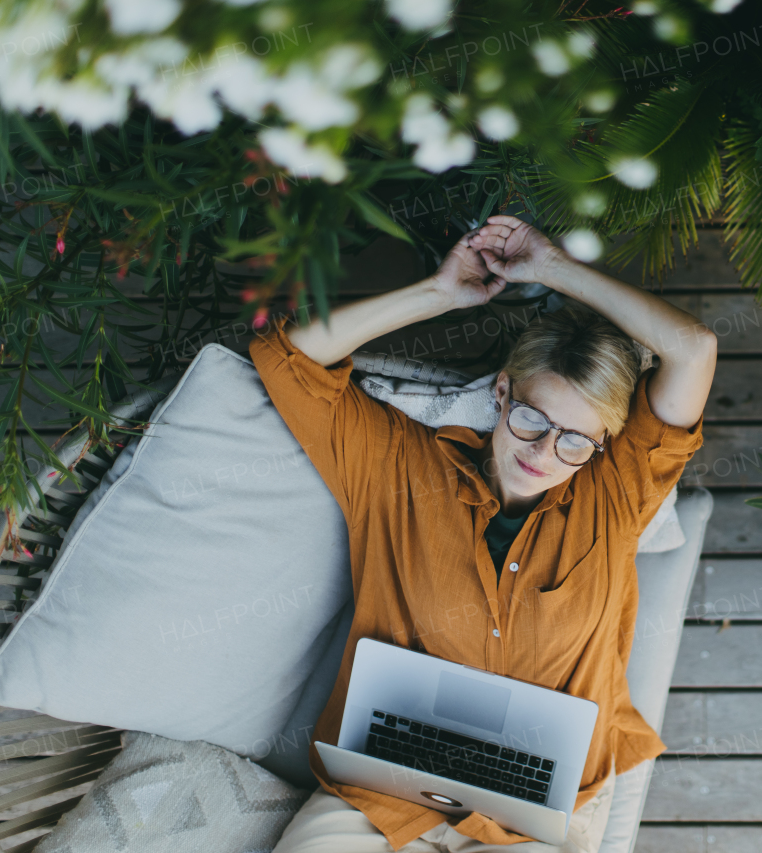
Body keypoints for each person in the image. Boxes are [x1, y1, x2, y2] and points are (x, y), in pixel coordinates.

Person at [250, 214, 717, 853]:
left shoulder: (615, 496)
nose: (545, 451)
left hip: (532, 809)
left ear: (604, 443)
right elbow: (287, 357)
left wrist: (550, 268)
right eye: (532, 417)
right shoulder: (396, 467)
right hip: (386, 791)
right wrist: (440, 293)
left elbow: (693, 350)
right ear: (502, 391)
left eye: (576, 439)